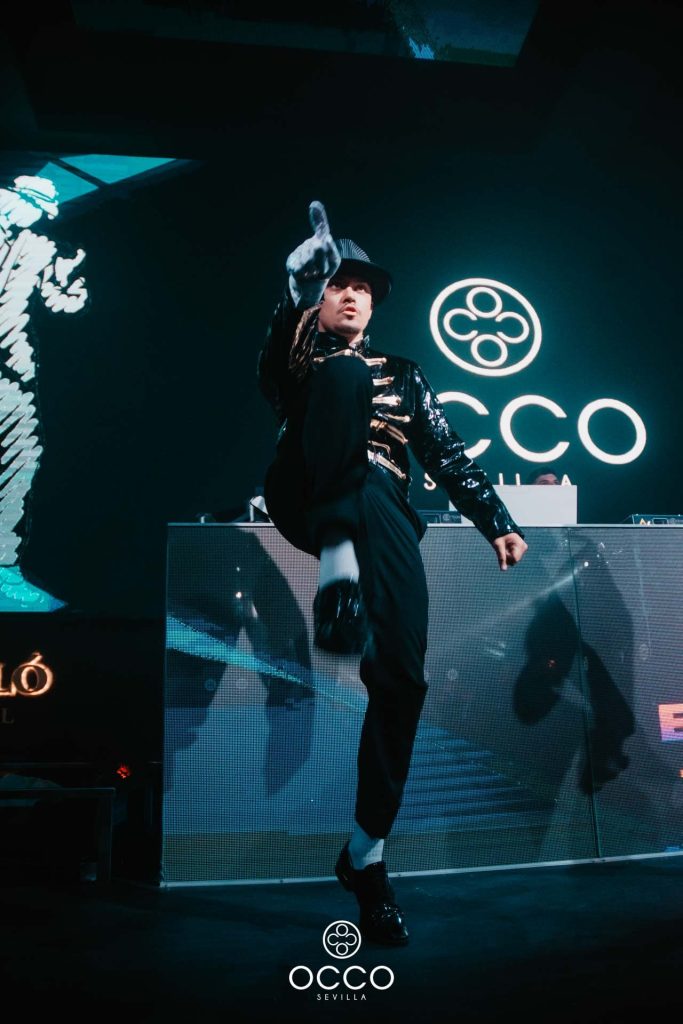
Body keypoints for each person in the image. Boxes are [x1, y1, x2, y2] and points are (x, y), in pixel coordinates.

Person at [256, 201, 528, 946]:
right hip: (308, 492)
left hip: (384, 516)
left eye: (362, 289)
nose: (349, 295)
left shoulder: (406, 376)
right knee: (344, 377)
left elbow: (445, 453)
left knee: (402, 680)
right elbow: (277, 362)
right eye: (335, 285)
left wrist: (497, 521)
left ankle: (365, 856)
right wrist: (295, 295)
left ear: (374, 306)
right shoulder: (305, 359)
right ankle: (338, 565)